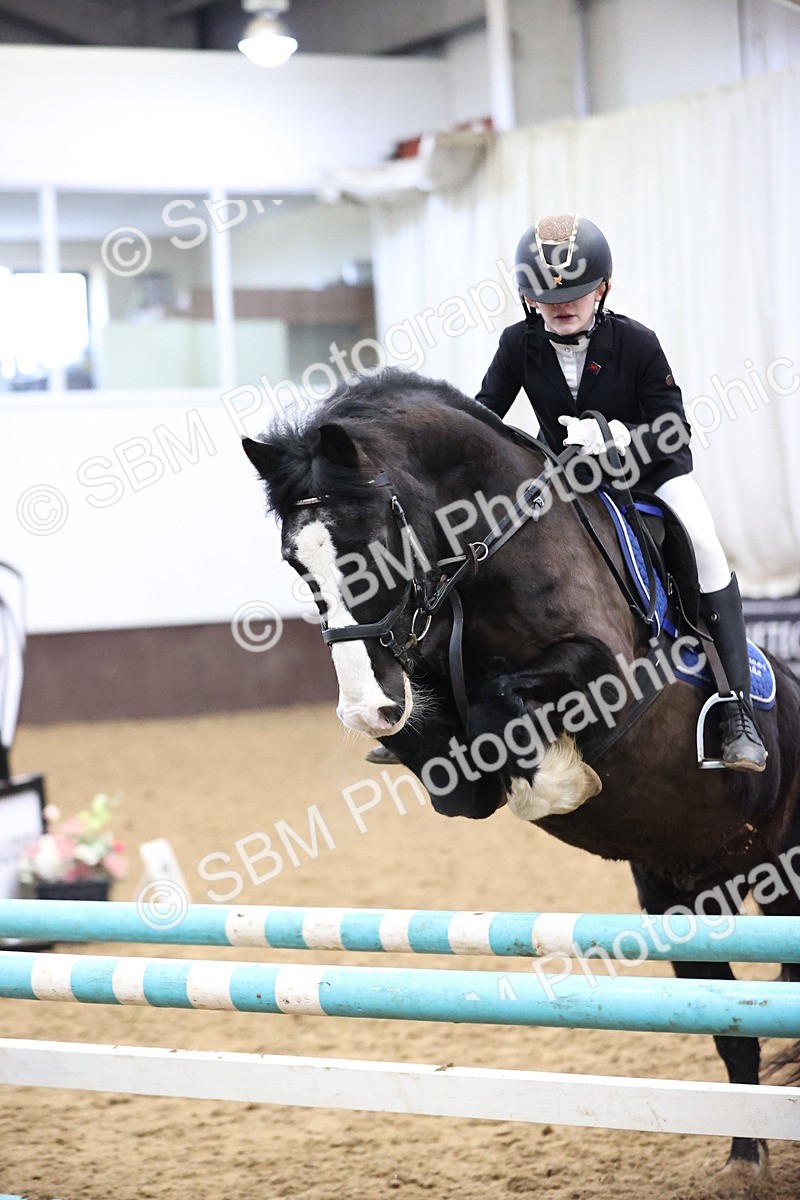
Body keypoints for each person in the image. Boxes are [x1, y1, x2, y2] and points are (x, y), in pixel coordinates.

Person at [472, 212, 766, 772]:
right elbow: (485, 415)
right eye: (545, 295)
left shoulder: (636, 341)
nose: (561, 305)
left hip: (649, 473)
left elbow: (673, 428)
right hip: (564, 479)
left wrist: (618, 443)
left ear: (603, 287)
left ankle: (736, 711)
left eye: (577, 293)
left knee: (705, 544)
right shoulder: (519, 344)